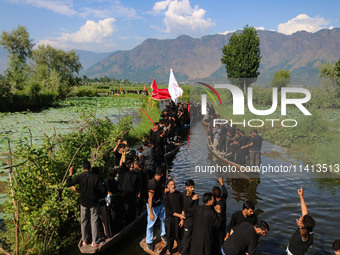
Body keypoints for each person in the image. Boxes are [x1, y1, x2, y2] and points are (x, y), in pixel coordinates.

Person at [66, 161, 107, 247]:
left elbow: (68, 184)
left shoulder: (80, 177)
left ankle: (84, 240)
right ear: (90, 167)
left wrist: (70, 174)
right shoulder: (95, 177)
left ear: (82, 168)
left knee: (84, 221)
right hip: (93, 202)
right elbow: (103, 190)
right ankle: (94, 241)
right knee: (94, 221)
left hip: (83, 203)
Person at [287, 187, 315, 255]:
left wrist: (301, 228)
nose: (300, 217)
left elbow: (303, 234)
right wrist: (301, 196)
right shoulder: (308, 226)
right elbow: (305, 212)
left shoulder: (306, 238)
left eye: (301, 219)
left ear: (303, 225)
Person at [146, 166, 166, 251]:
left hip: (160, 203)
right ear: (161, 174)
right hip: (153, 206)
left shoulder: (160, 180)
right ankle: (149, 241)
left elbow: (162, 189)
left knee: (163, 219)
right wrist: (151, 212)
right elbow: (150, 199)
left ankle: (163, 234)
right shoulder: (152, 184)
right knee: (151, 224)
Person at [163, 179, 185, 255]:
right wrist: (180, 215)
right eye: (171, 184)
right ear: (168, 186)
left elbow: (183, 206)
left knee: (179, 235)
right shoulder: (166, 196)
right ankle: (169, 249)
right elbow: (168, 211)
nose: (173, 186)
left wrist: (182, 219)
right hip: (170, 219)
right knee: (170, 235)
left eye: (174, 184)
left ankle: (180, 250)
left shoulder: (179, 194)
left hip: (178, 219)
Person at [181, 179, 200, 255]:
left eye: (193, 187)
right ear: (186, 187)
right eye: (191, 187)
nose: (193, 189)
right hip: (182, 218)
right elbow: (181, 206)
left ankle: (183, 253)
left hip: (189, 220)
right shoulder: (182, 194)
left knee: (187, 238)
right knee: (184, 237)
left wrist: (192, 200)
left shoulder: (195, 197)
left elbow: (192, 210)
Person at [212, 178, 228, 255]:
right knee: (221, 238)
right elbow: (225, 192)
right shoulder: (223, 200)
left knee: (216, 239)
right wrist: (222, 183)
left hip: (217, 224)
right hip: (223, 222)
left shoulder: (216, 204)